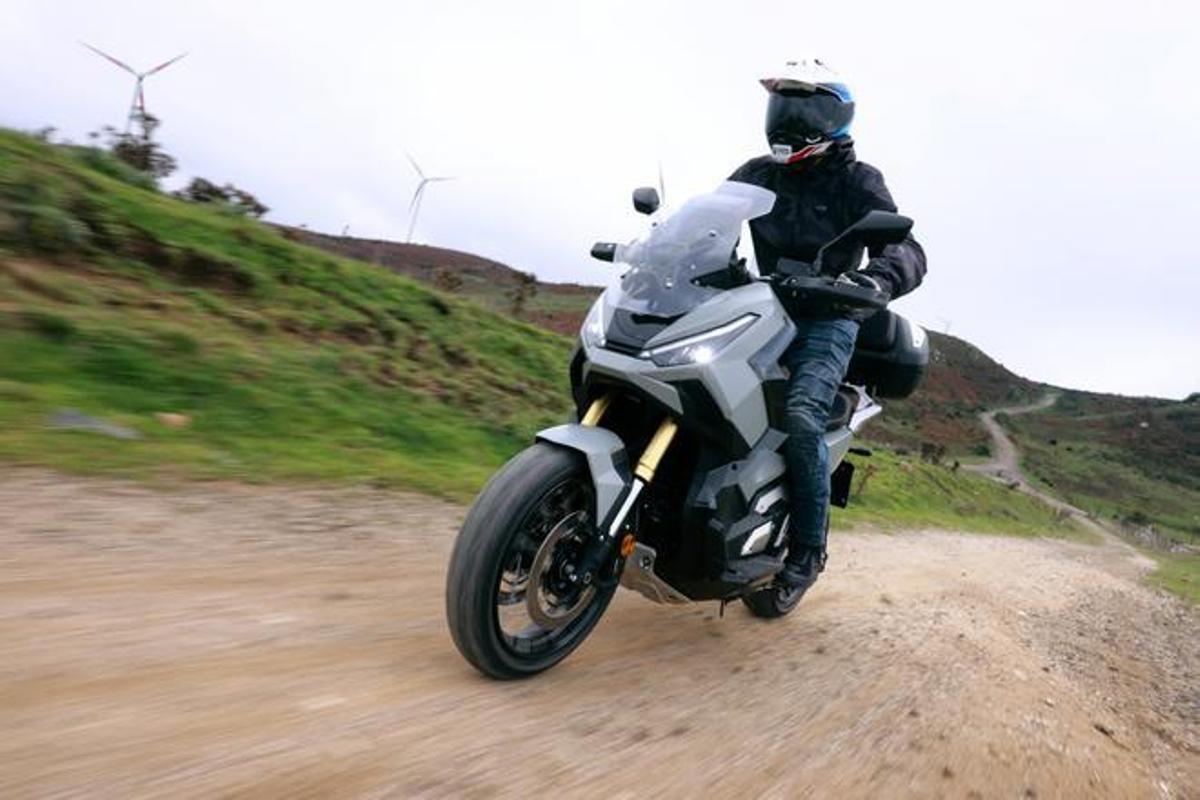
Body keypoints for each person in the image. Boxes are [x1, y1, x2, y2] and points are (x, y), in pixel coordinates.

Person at [729, 59, 926, 596]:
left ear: (834, 118)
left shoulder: (858, 181)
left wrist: (873, 281)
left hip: (830, 315)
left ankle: (807, 551)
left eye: (804, 109)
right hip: (759, 307)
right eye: (782, 107)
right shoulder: (756, 174)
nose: (788, 121)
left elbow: (907, 248)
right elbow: (710, 218)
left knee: (799, 415)